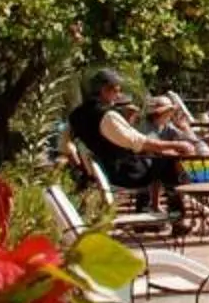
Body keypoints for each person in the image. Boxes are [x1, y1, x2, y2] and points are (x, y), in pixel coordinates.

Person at [67, 69, 189, 216]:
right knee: (167, 160)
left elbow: (65, 144)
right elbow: (138, 142)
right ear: (104, 90)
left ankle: (150, 209)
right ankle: (176, 216)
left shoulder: (75, 115)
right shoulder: (107, 115)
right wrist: (176, 145)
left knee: (157, 157)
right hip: (123, 173)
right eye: (116, 91)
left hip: (101, 171)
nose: (118, 96)